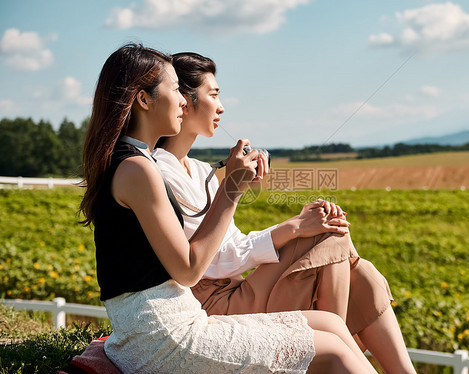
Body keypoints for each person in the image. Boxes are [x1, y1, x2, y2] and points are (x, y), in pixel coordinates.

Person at [80, 43, 377, 374]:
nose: (182, 101)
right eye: (176, 89)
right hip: (162, 339)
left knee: (330, 325)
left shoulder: (135, 162)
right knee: (335, 351)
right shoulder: (138, 169)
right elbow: (189, 269)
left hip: (166, 326)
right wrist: (231, 188)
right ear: (144, 100)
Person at [153, 52, 417, 374]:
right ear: (185, 101)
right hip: (212, 306)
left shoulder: (197, 170)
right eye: (214, 94)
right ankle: (330, 362)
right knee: (329, 233)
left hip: (234, 291)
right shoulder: (161, 173)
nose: (221, 107)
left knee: (356, 266)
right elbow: (214, 261)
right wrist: (292, 228)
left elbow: (230, 244)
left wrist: (295, 225)